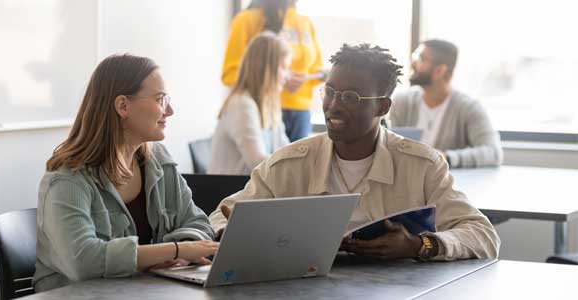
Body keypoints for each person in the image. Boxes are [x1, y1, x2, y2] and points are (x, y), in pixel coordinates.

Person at [210, 44, 500, 261]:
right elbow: (218, 219)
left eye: (350, 97)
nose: (334, 105)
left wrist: (419, 245)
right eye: (330, 92)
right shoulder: (288, 164)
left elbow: (484, 236)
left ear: (382, 108)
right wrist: (233, 233)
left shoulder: (422, 166)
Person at [33, 54, 218, 291]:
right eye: (160, 99)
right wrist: (174, 250)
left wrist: (178, 254)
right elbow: (82, 261)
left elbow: (198, 221)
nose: (170, 110)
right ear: (123, 106)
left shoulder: (158, 160)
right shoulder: (67, 177)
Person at [221, 0, 325, 142]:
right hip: (263, 108)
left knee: (298, 163)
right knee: (267, 162)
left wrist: (315, 77)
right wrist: (276, 80)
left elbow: (316, 69)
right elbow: (230, 74)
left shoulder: (306, 22)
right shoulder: (246, 20)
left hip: (302, 112)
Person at [390, 39, 503, 168]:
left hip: (447, 184)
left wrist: (446, 158)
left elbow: (493, 153)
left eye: (421, 58)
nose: (414, 63)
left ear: (440, 71)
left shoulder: (468, 107)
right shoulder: (402, 102)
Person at [209, 32, 291, 175]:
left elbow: (286, 151)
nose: (287, 75)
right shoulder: (241, 104)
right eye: (284, 67)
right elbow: (258, 162)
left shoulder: (269, 107)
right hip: (229, 194)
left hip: (250, 192)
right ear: (265, 68)